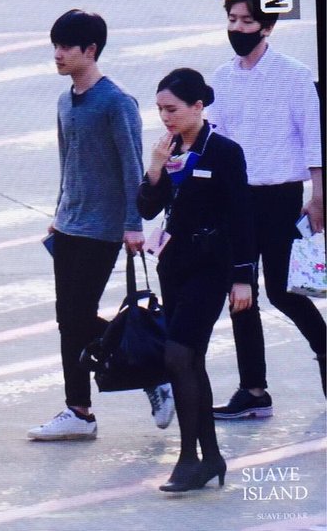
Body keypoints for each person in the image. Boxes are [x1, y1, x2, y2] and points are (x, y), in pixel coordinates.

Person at [27, 9, 174, 441]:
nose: (57, 54)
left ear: (90, 50)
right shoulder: (64, 101)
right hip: (70, 224)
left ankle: (151, 372)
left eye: (65, 47)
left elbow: (131, 165)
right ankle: (80, 410)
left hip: (104, 228)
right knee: (68, 320)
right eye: (54, 46)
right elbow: (67, 161)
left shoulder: (116, 102)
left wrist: (133, 224)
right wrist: (59, 212)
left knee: (75, 317)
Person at [208, 0, 326, 420]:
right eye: (232, 20)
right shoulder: (222, 77)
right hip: (236, 198)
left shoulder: (293, 74)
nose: (237, 28)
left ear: (267, 27)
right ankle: (253, 390)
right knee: (240, 293)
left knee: (282, 290)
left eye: (246, 21)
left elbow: (314, 137)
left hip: (280, 196)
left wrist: (318, 196)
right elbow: (215, 138)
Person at [137, 67, 255, 492]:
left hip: (211, 267)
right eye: (160, 110)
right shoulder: (167, 149)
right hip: (174, 266)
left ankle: (189, 458)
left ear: (198, 106)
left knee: (178, 355)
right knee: (190, 361)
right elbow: (148, 208)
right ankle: (210, 458)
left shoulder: (224, 151)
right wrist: (155, 169)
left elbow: (242, 217)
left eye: (172, 109)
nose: (165, 117)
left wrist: (243, 277)